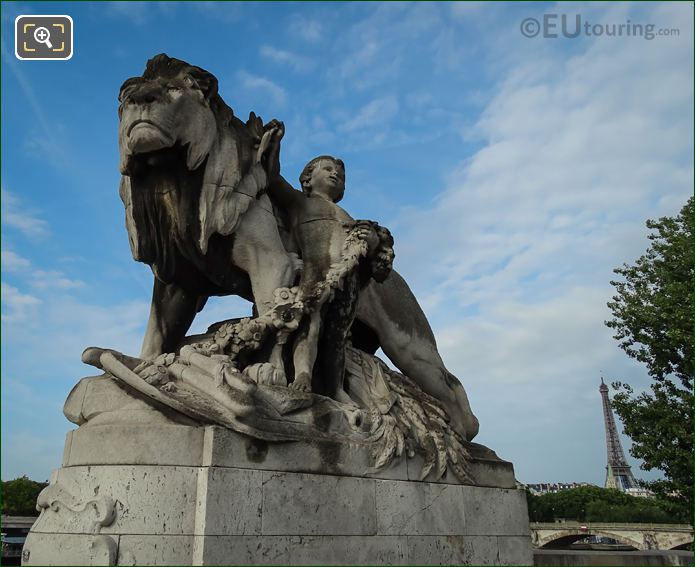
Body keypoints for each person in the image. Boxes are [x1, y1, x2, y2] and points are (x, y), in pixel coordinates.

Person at [264, 124, 391, 402]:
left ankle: (335, 388)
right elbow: (272, 178)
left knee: (337, 336)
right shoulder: (301, 202)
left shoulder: (345, 213)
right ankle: (303, 375)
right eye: (328, 169)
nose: (336, 174)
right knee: (311, 325)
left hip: (347, 280)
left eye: (341, 175)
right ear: (307, 178)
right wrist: (273, 147)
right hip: (316, 271)